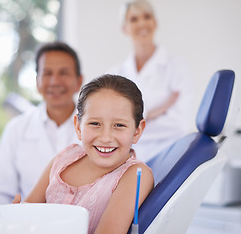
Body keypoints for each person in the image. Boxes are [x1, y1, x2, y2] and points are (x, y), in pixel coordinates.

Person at [12, 74, 154, 234]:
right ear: (78, 127)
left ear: (137, 131)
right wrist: (16, 217)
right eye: (95, 123)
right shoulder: (63, 159)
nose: (106, 137)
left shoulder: (135, 175)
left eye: (119, 125)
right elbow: (29, 209)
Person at [0, 42, 83, 205]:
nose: (55, 81)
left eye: (64, 73)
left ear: (79, 81)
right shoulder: (16, 129)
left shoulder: (96, 128)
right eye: (47, 73)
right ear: (37, 81)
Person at [110, 0, 194, 162]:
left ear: (155, 23)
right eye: (134, 19)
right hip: (124, 162)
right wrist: (152, 113)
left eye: (147, 17)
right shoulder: (114, 76)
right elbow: (109, 125)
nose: (142, 23)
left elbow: (178, 125)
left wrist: (128, 123)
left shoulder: (178, 68)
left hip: (167, 159)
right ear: (124, 29)